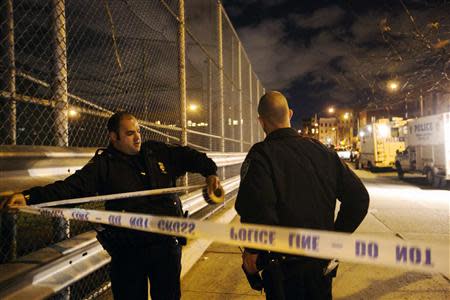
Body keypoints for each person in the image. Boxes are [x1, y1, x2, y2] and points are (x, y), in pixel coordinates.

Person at [0, 112, 221, 300]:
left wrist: (211, 174)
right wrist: (28, 197)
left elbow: (192, 157)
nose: (137, 138)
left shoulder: (157, 152)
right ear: (113, 137)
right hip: (128, 252)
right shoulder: (103, 165)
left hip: (165, 246)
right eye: (129, 133)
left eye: (138, 132)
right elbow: (70, 189)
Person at [235, 91, 369, 300]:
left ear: (261, 121)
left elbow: (257, 209)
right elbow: (359, 199)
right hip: (321, 263)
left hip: (283, 270)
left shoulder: (261, 155)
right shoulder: (324, 153)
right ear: (289, 113)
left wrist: (253, 251)